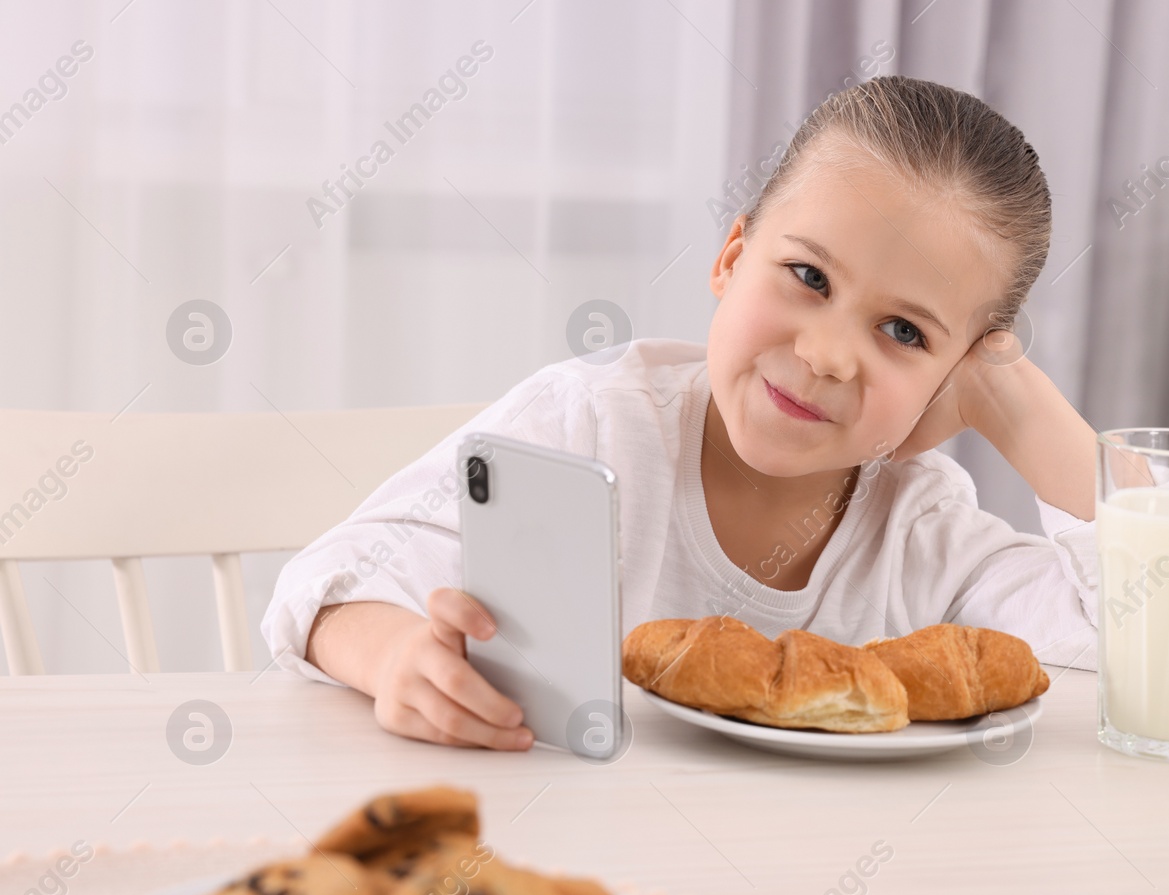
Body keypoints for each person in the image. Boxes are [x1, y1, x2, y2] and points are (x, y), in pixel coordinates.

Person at [263, 74, 1109, 751]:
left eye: (903, 331)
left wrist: (1019, 404)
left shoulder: (922, 528)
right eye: (808, 277)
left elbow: (1141, 643)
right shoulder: (587, 428)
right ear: (731, 258)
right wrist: (397, 656)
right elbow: (325, 586)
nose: (826, 354)